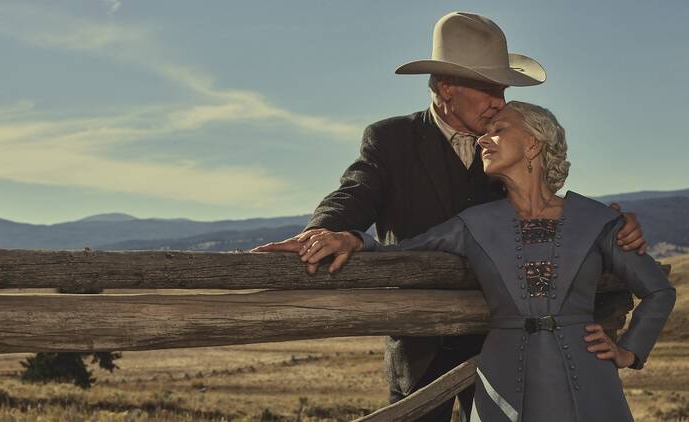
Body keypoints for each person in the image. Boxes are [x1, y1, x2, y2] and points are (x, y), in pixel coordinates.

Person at [252, 12, 647, 421]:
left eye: (503, 89)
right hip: (420, 343)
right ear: (446, 87)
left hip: (503, 342)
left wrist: (609, 226)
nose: (500, 101)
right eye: (489, 88)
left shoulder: (506, 144)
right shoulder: (391, 140)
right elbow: (356, 192)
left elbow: (543, 206)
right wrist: (328, 229)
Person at [292, 101, 676, 421]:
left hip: (589, 377)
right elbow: (400, 251)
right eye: (485, 131)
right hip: (502, 378)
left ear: (533, 146)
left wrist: (629, 350)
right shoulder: (472, 225)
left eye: (499, 129)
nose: (482, 139)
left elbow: (659, 291)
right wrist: (351, 238)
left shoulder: (598, 220)